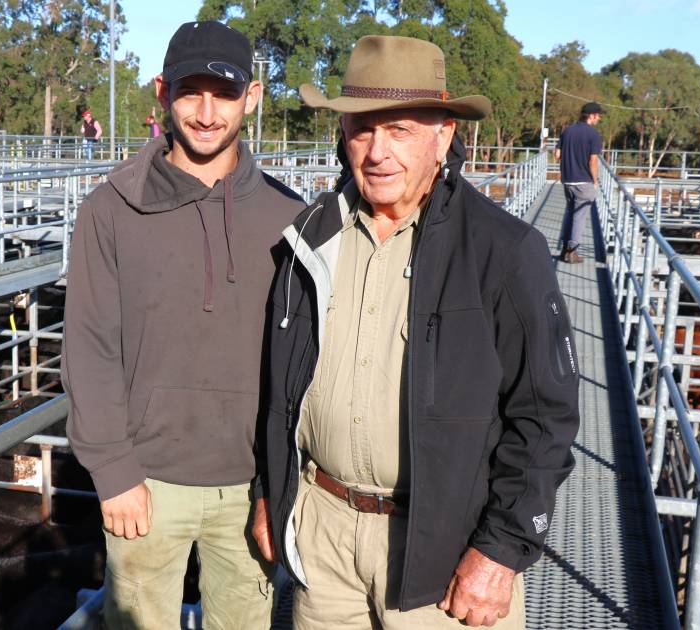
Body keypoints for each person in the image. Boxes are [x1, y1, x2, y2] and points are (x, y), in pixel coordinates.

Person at [253, 36, 580, 629]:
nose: (378, 151)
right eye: (361, 129)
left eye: (399, 129)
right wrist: (268, 492)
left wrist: (501, 551)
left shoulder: (503, 252)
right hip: (324, 534)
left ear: (443, 136)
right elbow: (279, 386)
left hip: (445, 549)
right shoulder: (309, 238)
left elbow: (546, 416)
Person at [63, 20, 304, 630]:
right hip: (145, 485)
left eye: (224, 93)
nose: (205, 111)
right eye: (190, 91)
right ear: (161, 91)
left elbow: (301, 361)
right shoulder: (109, 208)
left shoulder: (290, 215)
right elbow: (89, 345)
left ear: (251, 97)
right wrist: (114, 472)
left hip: (250, 489)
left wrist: (279, 482)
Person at [554, 102, 604, 263]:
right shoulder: (593, 135)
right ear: (592, 115)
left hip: (568, 181)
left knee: (570, 214)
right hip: (584, 181)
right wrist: (595, 182)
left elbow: (557, 154)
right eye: (598, 115)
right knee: (580, 216)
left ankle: (564, 249)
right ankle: (572, 252)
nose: (600, 118)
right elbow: (593, 161)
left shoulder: (567, 131)